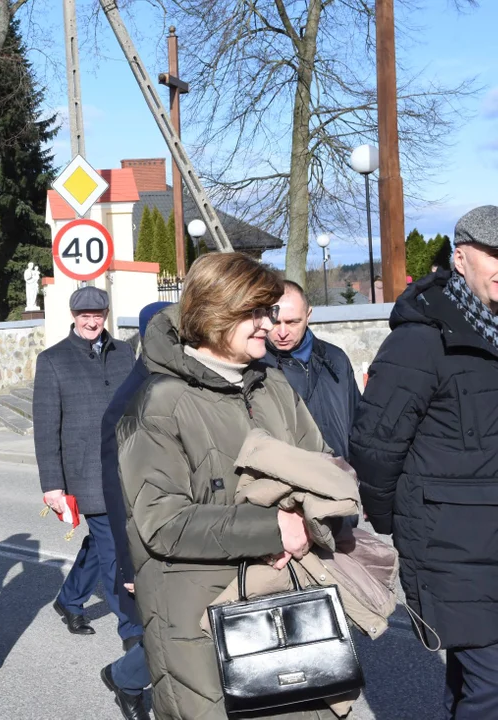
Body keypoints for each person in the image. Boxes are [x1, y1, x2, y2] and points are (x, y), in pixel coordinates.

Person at [117, 253, 331, 720]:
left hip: (288, 597)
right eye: (253, 312)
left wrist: (319, 517)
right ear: (215, 314)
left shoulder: (273, 386)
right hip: (201, 618)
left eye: (268, 311)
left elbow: (323, 467)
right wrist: (274, 527)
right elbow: (163, 523)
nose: (267, 325)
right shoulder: (161, 403)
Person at [350, 205, 498, 719]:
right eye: (493, 254)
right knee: (491, 680)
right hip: (448, 541)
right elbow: (375, 442)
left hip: (489, 537)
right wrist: (394, 524)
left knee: (472, 676)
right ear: (460, 258)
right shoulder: (420, 340)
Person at [32, 286, 142, 647]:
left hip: (126, 467)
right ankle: (133, 632)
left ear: (106, 314)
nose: (92, 321)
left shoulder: (126, 353)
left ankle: (68, 599)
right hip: (85, 472)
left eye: (98, 314)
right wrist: (53, 484)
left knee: (101, 543)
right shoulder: (52, 360)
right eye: (85, 316)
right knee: (114, 550)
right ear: (74, 317)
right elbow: (47, 429)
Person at [99, 300, 171, 720]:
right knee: (176, 628)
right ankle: (127, 677)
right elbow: (118, 493)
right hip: (155, 532)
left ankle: (127, 676)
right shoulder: (131, 399)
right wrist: (127, 567)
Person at [263, 280, 360, 460]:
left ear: (308, 315)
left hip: (341, 479)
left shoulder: (336, 359)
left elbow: (358, 425)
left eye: (293, 322)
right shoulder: (256, 367)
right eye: (275, 323)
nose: (282, 332)